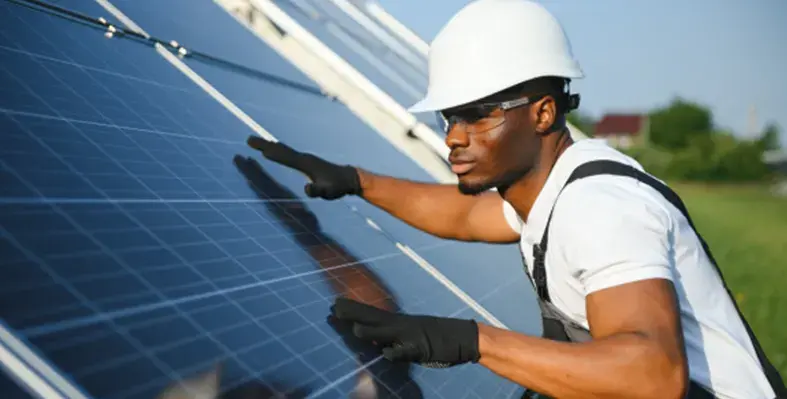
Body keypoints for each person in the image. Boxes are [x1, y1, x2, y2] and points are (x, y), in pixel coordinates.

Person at [246, 0, 786, 398]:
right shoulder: (550, 188)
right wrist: (355, 180)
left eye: (477, 113)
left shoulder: (602, 209)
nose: (454, 136)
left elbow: (654, 374)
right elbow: (462, 214)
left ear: (543, 113)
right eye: (449, 117)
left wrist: (472, 341)